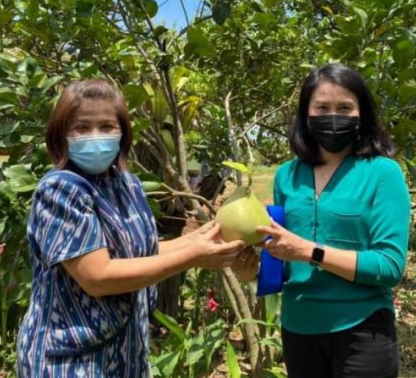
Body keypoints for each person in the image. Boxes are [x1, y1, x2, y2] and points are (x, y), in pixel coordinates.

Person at [17, 79, 245, 377]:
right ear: (61, 135)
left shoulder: (128, 184)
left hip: (125, 352)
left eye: (107, 126)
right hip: (72, 360)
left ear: (123, 133)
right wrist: (194, 257)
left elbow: (140, 253)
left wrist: (200, 239)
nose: (95, 137)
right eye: (82, 128)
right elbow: (98, 276)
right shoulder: (62, 190)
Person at [233, 63, 410, 378]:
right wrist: (253, 270)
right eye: (322, 107)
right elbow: (286, 260)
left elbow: (389, 266)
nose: (334, 116)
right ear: (306, 115)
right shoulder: (288, 175)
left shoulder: (382, 173)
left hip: (361, 328)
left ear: (361, 114)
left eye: (345, 107)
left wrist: (309, 251)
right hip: (298, 329)